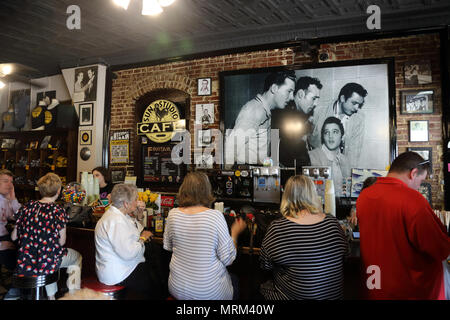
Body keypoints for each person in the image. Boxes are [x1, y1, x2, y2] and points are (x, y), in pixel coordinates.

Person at [356, 152, 450, 299]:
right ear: (413, 173)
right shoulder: (413, 200)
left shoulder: (364, 196)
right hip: (408, 289)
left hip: (375, 285)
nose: (419, 187)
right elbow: (440, 249)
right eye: (421, 181)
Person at [259, 175, 348, 299]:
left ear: (286, 196)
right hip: (333, 297)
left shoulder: (278, 228)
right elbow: (345, 255)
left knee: (264, 286)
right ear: (313, 194)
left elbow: (265, 265)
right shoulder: (332, 223)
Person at [163, 172, 247, 300]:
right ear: (207, 190)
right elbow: (228, 259)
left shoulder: (173, 214)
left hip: (177, 288)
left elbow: (168, 247)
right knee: (235, 280)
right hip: (208, 293)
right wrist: (235, 233)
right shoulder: (215, 216)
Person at [11, 173, 82, 300]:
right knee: (76, 257)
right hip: (47, 261)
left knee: (48, 259)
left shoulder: (27, 207)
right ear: (59, 190)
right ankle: (71, 295)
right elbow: (61, 242)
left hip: (25, 262)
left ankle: (51, 296)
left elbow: (13, 237)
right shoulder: (58, 210)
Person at [95, 184, 156, 299]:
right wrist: (142, 239)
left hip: (121, 266)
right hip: (118, 273)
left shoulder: (119, 214)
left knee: (154, 267)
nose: (138, 202)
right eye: (135, 199)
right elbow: (128, 253)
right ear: (126, 204)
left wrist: (139, 214)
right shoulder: (116, 221)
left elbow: (137, 230)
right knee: (156, 279)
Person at [225, 70, 296, 165]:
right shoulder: (255, 110)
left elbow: (256, 156)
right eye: (289, 91)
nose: (292, 97)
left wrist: (273, 164)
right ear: (274, 88)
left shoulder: (264, 111)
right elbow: (230, 151)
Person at [310, 82, 368, 168]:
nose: (357, 108)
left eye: (359, 105)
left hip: (340, 169)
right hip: (316, 165)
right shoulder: (318, 111)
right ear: (342, 98)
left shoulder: (358, 119)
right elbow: (305, 139)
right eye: (354, 103)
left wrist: (349, 177)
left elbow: (354, 154)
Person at [271, 76, 322, 168]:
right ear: (300, 94)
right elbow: (274, 148)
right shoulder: (282, 114)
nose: (315, 104)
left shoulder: (303, 115)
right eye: (314, 98)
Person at [308, 117, 351, 197]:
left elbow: (347, 193)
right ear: (323, 137)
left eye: (335, 132)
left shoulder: (345, 160)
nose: (330, 136)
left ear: (342, 136)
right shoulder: (312, 156)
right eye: (327, 132)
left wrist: (345, 174)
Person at [0, 169, 21, 300]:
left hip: (5, 237)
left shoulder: (5, 199)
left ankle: (14, 291)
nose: (9, 185)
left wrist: (13, 198)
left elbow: (20, 216)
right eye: (5, 181)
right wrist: (2, 244)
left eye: (11, 182)